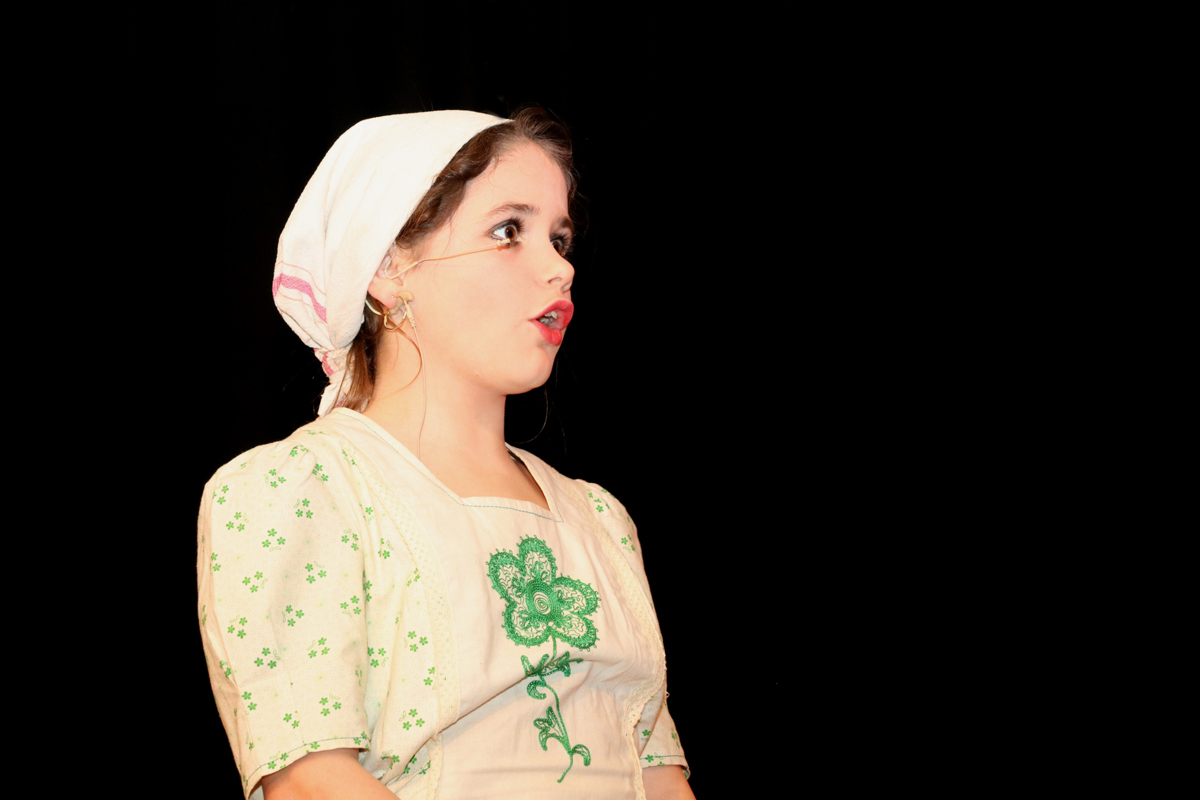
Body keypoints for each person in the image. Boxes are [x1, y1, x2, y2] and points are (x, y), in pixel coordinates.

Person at [197, 108, 692, 800]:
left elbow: (657, 773)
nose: (559, 267)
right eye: (508, 231)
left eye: (559, 239)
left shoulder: (601, 519)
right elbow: (310, 778)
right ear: (388, 267)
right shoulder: (299, 490)